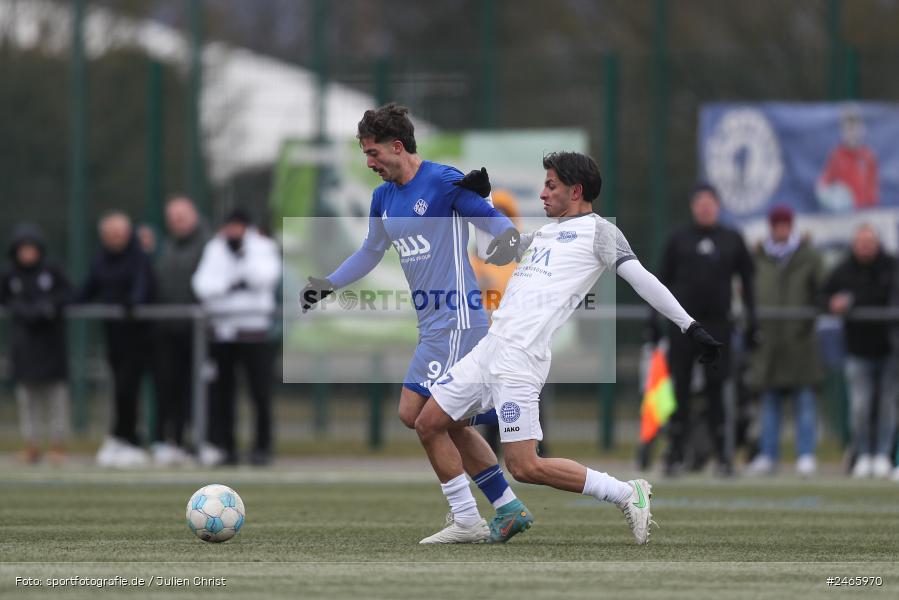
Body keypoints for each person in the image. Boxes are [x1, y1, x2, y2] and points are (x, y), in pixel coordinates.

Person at [413, 151, 722, 545]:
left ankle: (628, 492)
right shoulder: (545, 232)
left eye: (551, 185)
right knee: (429, 422)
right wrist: (483, 203)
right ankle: (467, 519)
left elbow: (643, 280)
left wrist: (689, 325)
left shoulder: (599, 233)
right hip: (490, 349)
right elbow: (494, 252)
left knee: (524, 466)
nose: (542, 193)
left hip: (520, 360)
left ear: (576, 191)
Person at [300, 103, 530, 543]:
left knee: (422, 419)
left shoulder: (442, 182)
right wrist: (328, 283)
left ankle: (467, 520)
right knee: (446, 423)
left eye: (372, 153)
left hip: (460, 322)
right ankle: (507, 507)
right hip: (433, 329)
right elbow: (370, 251)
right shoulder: (383, 197)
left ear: (397, 146)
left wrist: (500, 233)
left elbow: (497, 224)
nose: (369, 163)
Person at [654, 183, 756, 477]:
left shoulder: (732, 239)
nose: (705, 207)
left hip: (718, 327)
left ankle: (723, 456)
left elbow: (747, 284)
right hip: (683, 327)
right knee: (679, 390)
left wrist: (753, 322)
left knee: (717, 391)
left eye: (710, 202)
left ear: (718, 205)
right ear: (692, 206)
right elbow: (660, 283)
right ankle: (674, 453)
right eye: (700, 202)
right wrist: (654, 322)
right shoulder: (678, 239)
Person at [192, 208, 281, 466]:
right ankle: (226, 447)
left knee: (260, 393)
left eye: (237, 227)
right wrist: (230, 285)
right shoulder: (215, 248)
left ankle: (262, 448)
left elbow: (264, 278)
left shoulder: (262, 247)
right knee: (223, 394)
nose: (233, 232)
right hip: (223, 334)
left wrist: (241, 260)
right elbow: (202, 285)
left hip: (254, 333)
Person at [744, 206, 825, 477]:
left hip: (800, 342)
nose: (781, 229)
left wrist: (807, 322)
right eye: (776, 224)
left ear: (791, 226)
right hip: (768, 343)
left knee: (805, 402)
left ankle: (806, 454)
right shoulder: (758, 257)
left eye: (785, 224)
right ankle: (769, 454)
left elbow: (822, 290)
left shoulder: (809, 257)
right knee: (769, 403)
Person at [80, 211, 156, 467]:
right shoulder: (101, 260)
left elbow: (142, 286)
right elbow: (88, 289)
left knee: (128, 388)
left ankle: (130, 440)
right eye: (111, 234)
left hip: (139, 337)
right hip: (114, 337)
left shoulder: (139, 258)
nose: (116, 238)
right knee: (119, 389)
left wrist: (132, 303)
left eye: (120, 233)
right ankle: (119, 437)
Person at [823, 224, 895, 478]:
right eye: (861, 241)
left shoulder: (891, 266)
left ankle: (883, 455)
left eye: (869, 241)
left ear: (877, 243)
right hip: (857, 348)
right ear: (855, 244)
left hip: (889, 349)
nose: (865, 246)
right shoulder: (843, 270)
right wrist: (833, 303)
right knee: (860, 408)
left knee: (888, 407)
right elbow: (825, 296)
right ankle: (863, 454)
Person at [0, 224, 72, 464]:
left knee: (55, 399)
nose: (27, 254)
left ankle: (57, 445)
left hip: (52, 347)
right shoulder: (10, 275)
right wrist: (22, 309)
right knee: (27, 400)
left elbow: (68, 294)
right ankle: (31, 445)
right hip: (24, 348)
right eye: (23, 249)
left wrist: (47, 308)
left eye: (31, 248)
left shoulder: (52, 271)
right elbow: (7, 299)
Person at [151, 195, 209, 466]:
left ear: (194, 215)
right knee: (166, 386)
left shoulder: (208, 244)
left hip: (197, 331)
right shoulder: (165, 247)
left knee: (195, 389)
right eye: (173, 218)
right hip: (167, 329)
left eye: (182, 216)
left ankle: (196, 442)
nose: (178, 222)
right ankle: (167, 440)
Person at [817, 106, 879, 211]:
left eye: (855, 128)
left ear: (862, 129)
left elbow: (873, 190)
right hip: (843, 214)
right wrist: (828, 198)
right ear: (842, 131)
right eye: (848, 129)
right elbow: (823, 185)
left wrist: (871, 209)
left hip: (865, 212)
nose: (852, 133)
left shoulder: (869, 156)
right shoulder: (836, 156)